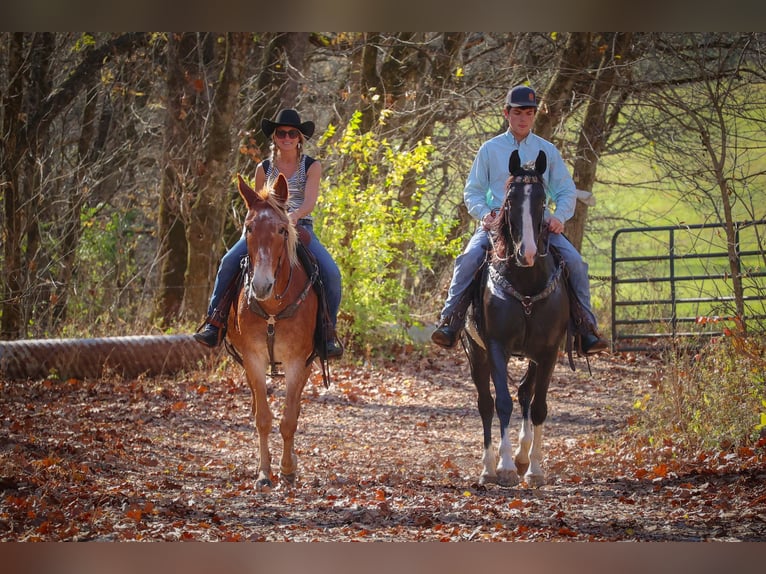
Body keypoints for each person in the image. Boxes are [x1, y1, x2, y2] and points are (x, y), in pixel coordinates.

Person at [431, 85, 608, 354]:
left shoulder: (547, 151)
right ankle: (450, 321)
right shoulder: (489, 150)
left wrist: (560, 217)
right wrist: (485, 214)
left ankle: (585, 328)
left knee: (575, 262)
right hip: (497, 222)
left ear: (535, 115)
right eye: (517, 113)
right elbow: (473, 191)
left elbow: (565, 190)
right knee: (468, 259)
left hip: (539, 224)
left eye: (528, 113)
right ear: (506, 113)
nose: (523, 118)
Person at [194, 108, 343, 358]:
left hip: (299, 227)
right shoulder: (263, 168)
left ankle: (327, 332)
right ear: (274, 137)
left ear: (299, 138)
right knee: (228, 261)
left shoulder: (311, 166)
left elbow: (309, 202)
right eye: (281, 133)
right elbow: (256, 204)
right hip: (263, 229)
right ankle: (215, 322)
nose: (287, 137)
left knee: (331, 273)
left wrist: (290, 218)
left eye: (292, 133)